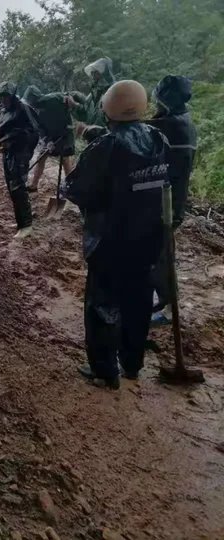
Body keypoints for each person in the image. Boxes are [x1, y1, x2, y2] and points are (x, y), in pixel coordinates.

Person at [62, 80, 169, 389]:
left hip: (110, 239)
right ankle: (132, 364)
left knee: (103, 304)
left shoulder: (106, 147)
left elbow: (78, 189)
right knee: (137, 301)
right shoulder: (158, 139)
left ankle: (105, 370)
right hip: (149, 238)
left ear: (108, 108)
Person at [146, 75, 197, 326]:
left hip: (167, 203)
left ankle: (168, 307)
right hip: (168, 199)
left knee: (159, 255)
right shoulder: (181, 120)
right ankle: (165, 300)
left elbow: (139, 131)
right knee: (161, 253)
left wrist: (91, 130)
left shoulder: (173, 126)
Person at [0, 82, 39, 239]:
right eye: (1, 97)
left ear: (12, 96)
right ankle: (20, 221)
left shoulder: (23, 108)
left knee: (18, 187)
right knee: (11, 187)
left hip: (20, 152)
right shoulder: (4, 110)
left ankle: (26, 225)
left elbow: (33, 132)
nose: (3, 100)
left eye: (6, 96)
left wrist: (22, 148)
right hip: (8, 152)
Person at [22, 85, 76, 192]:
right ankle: (33, 185)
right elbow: (40, 128)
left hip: (64, 133)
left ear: (37, 98)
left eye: (32, 101)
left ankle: (71, 187)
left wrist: (69, 99)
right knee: (41, 157)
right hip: (51, 136)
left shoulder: (53, 98)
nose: (32, 104)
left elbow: (67, 96)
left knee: (65, 159)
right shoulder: (34, 111)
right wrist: (48, 141)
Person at [68, 57, 116, 128]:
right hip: (95, 136)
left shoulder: (115, 91)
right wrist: (74, 106)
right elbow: (86, 114)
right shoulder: (94, 93)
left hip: (110, 136)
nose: (93, 76)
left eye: (96, 73)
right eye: (92, 73)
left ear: (105, 72)